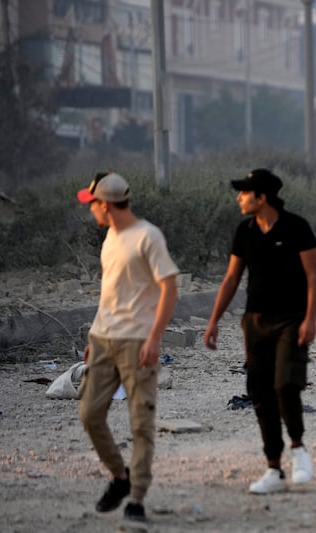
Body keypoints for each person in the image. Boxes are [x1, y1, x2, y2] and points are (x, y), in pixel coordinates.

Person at [204, 169, 316, 494]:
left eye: (244, 192)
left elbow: (312, 277)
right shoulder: (245, 231)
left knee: (286, 384)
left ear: (262, 197)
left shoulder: (296, 227)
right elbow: (231, 279)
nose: (238, 198)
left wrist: (310, 319)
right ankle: (273, 468)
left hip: (291, 320)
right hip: (255, 322)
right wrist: (213, 320)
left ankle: (298, 449)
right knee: (260, 392)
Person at [76, 172, 179, 526]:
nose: (91, 212)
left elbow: (169, 287)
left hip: (137, 341)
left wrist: (154, 338)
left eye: (93, 206)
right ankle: (120, 478)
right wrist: (93, 337)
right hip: (104, 339)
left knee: (140, 423)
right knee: (89, 414)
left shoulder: (147, 237)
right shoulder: (109, 237)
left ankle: (136, 499)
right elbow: (110, 293)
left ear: (105, 205)